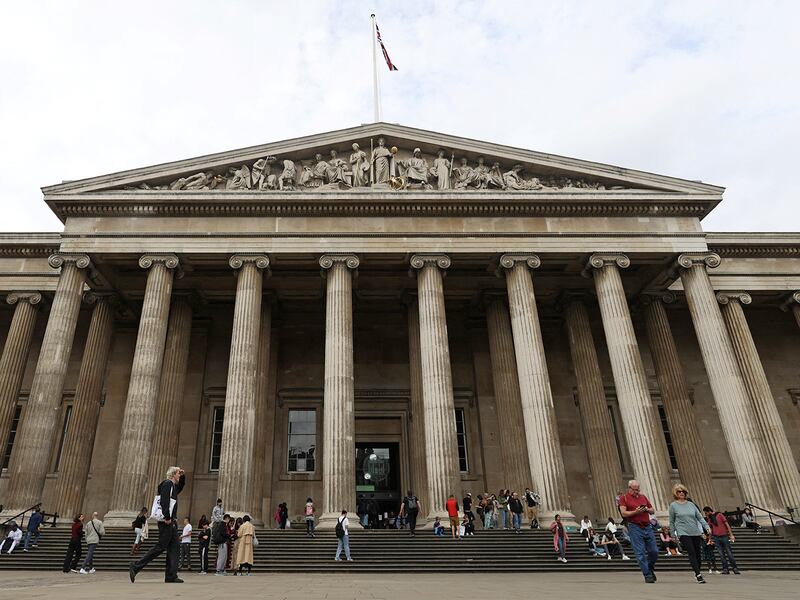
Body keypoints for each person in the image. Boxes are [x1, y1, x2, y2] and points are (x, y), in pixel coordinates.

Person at [129, 465, 186, 584]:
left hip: (171, 521)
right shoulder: (167, 484)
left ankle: (171, 575)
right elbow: (164, 500)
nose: (179, 477)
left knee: (174, 547)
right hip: (167, 521)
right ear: (172, 475)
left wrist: (183, 475)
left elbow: (180, 487)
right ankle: (136, 566)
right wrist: (167, 516)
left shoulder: (173, 486)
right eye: (178, 474)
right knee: (161, 546)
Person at [668, 483, 710, 584]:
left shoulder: (691, 505)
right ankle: (698, 574)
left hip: (695, 532)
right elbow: (672, 521)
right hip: (683, 532)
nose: (681, 493)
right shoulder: (673, 506)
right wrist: (673, 534)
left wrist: (707, 527)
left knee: (697, 554)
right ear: (675, 493)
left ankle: (697, 571)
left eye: (683, 491)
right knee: (691, 552)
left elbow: (699, 517)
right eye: (679, 491)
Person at [619, 479, 659, 583]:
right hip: (634, 527)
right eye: (635, 490)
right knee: (640, 553)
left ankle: (649, 568)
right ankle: (647, 575)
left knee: (654, 551)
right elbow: (624, 513)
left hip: (647, 526)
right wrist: (635, 512)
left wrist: (646, 509)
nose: (637, 491)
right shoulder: (624, 498)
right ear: (629, 488)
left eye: (638, 489)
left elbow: (652, 510)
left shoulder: (643, 497)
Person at [704, 506, 740, 575]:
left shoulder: (719, 515)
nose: (706, 515)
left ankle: (735, 568)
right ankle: (725, 569)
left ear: (709, 511)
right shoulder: (710, 519)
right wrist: (710, 539)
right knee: (721, 554)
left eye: (706, 513)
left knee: (729, 553)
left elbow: (727, 524)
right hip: (716, 537)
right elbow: (710, 530)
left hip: (724, 536)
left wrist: (731, 534)